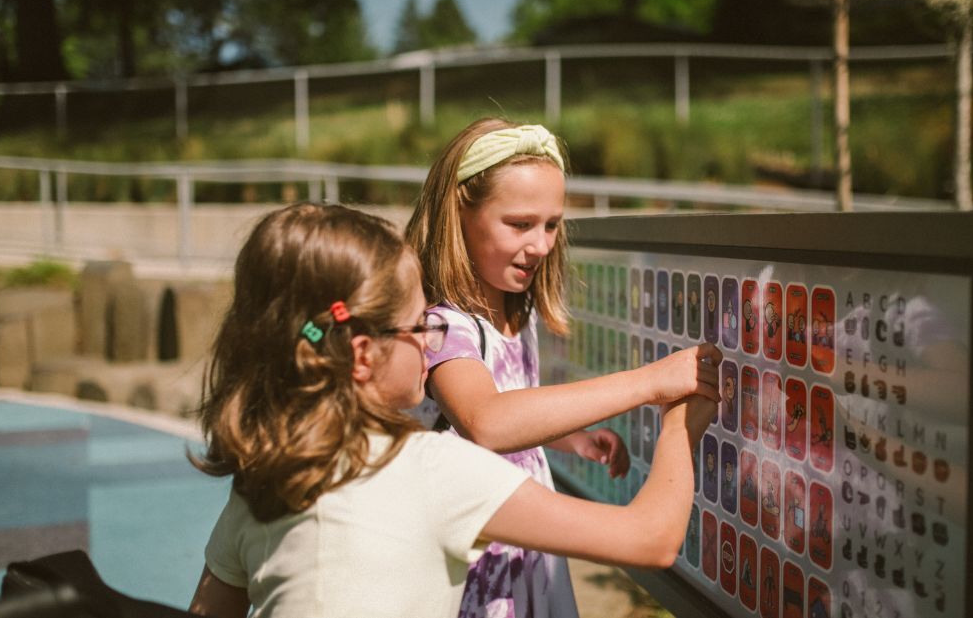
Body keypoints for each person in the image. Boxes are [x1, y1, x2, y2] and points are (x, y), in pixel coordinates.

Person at [185, 204, 720, 618]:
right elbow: (649, 539)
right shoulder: (430, 469)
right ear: (363, 355)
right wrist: (679, 425)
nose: (431, 341)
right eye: (420, 325)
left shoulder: (265, 479)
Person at [405, 118, 722, 618]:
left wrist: (570, 439)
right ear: (459, 212)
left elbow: (510, 402)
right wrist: (649, 382)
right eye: (520, 224)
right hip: (479, 582)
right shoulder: (444, 327)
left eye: (552, 225)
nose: (542, 245)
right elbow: (486, 420)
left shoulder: (517, 310)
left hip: (528, 558)